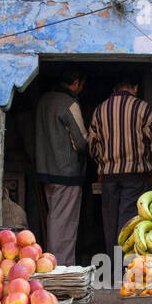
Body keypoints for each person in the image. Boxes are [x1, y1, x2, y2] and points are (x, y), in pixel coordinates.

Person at [88, 76, 152, 255]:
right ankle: (125, 268)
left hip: (108, 177)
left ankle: (113, 267)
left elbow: (92, 144)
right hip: (134, 175)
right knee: (128, 221)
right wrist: (147, 151)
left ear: (114, 89)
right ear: (135, 87)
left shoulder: (100, 110)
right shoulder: (142, 108)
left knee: (110, 222)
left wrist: (104, 159)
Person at [34, 68, 89, 266]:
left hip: (46, 170)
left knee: (54, 218)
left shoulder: (44, 100)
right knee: (64, 224)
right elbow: (82, 141)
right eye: (81, 85)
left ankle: (50, 262)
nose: (81, 90)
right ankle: (61, 267)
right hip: (66, 172)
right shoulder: (69, 103)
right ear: (75, 82)